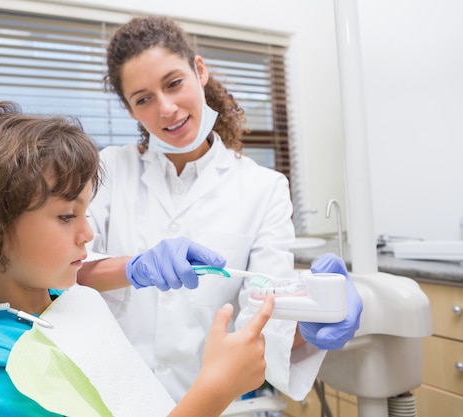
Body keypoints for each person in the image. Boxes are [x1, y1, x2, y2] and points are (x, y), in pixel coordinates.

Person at [0, 100, 276, 417]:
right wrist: (213, 391)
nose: (89, 233)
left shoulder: (69, 306)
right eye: (67, 216)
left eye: (86, 213)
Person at [77, 15, 363, 403]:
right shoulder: (107, 170)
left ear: (199, 70)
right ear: (131, 110)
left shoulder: (264, 189)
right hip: (111, 402)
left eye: (174, 83)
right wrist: (133, 268)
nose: (166, 109)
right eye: (143, 99)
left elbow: (264, 316)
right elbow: (64, 273)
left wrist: (317, 317)